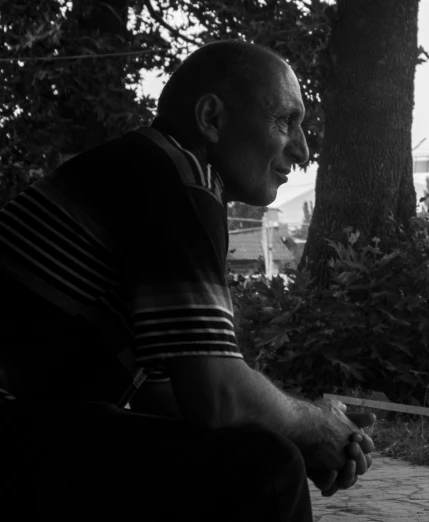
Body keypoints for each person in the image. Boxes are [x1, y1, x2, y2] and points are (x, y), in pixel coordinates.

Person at [0, 40, 374, 521]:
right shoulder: (176, 176)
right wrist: (311, 431)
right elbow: (215, 393)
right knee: (262, 469)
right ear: (212, 118)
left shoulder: (150, 169)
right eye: (287, 121)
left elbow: (167, 393)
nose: (301, 150)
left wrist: (306, 431)